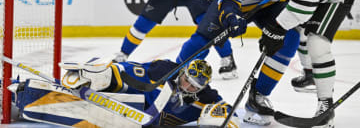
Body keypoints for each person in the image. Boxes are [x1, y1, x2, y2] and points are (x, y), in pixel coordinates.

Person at [176, 0, 301, 125]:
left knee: (290, 39)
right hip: (240, 5)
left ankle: (257, 97)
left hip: (275, 2)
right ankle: (174, 79)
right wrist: (231, 17)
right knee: (202, 39)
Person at [262, 0, 358, 127]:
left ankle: (326, 106)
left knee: (317, 44)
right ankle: (311, 75)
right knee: (300, 30)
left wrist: (275, 28)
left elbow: (301, 10)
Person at [11, 58, 240, 127]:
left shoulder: (204, 98)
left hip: (137, 115)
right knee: (105, 81)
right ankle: (16, 91)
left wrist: (225, 118)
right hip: (132, 99)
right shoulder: (164, 70)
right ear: (181, 73)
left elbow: (225, 111)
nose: (187, 87)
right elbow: (127, 71)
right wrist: (99, 76)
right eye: (186, 81)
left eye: (194, 86)